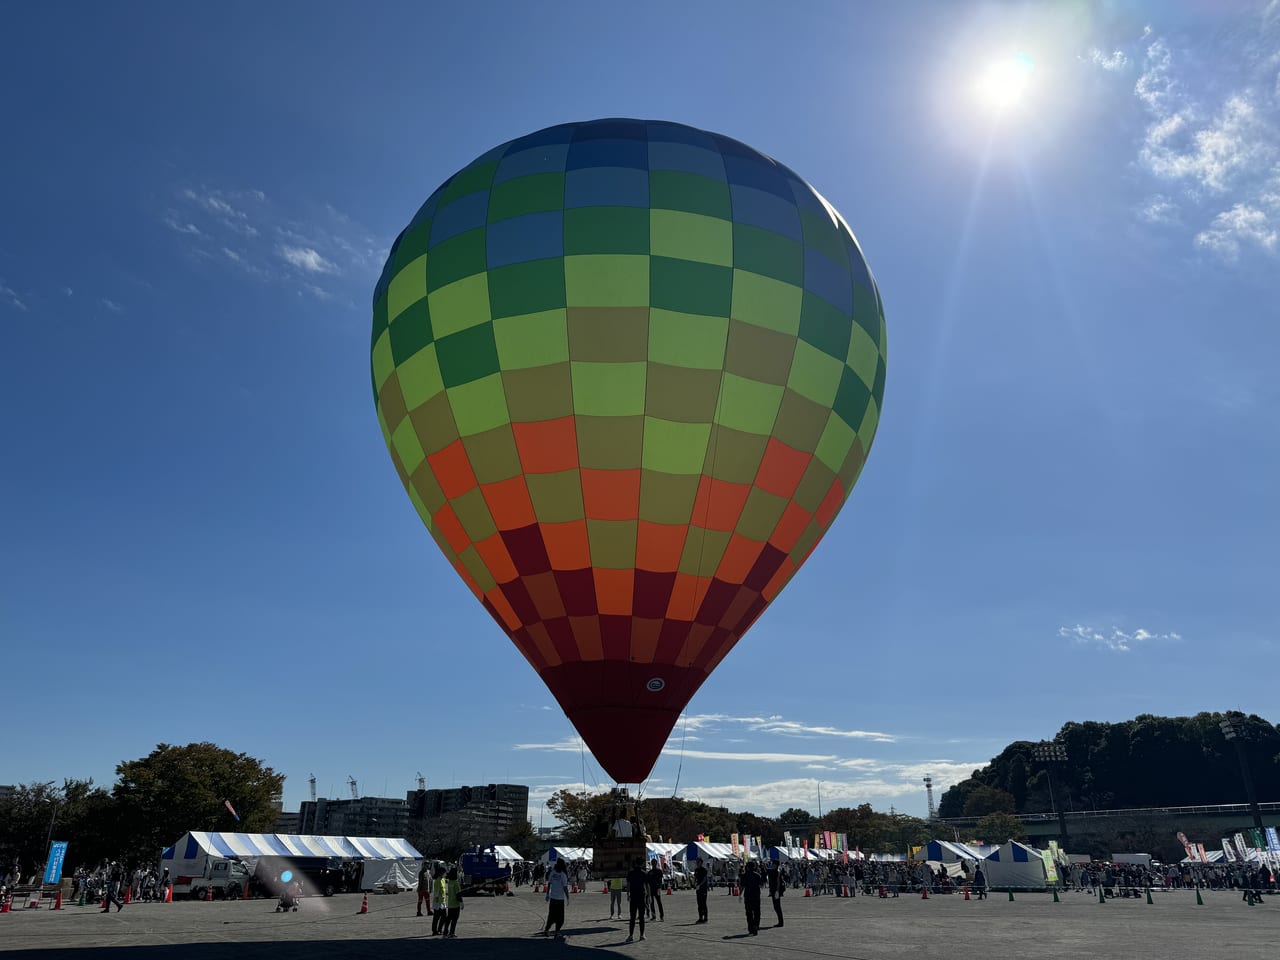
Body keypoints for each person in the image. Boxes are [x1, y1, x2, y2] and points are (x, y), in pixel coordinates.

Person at [543, 859, 570, 939]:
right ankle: (557, 932)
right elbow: (565, 888)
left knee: (551, 915)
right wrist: (568, 897)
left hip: (553, 898)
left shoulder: (552, 873)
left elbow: (549, 884)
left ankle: (547, 929)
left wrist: (547, 894)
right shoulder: (563, 875)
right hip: (560, 899)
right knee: (560, 917)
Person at [626, 858, 647, 942]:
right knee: (641, 917)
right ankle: (642, 935)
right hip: (641, 896)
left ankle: (631, 935)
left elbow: (628, 885)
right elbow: (646, 885)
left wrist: (628, 894)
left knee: (632, 917)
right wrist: (648, 896)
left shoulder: (631, 873)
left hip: (633, 896)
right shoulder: (643, 873)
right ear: (641, 864)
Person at [742, 861, 763, 935]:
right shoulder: (758, 875)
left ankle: (750, 928)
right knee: (757, 912)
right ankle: (756, 926)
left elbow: (742, 886)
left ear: (747, 867)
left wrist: (740, 895)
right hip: (756, 895)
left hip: (748, 895)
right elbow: (761, 885)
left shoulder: (744, 875)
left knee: (749, 913)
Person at [443, 867, 462, 938]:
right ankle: (452, 932)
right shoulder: (456, 883)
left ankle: (445, 933)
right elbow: (458, 894)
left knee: (448, 919)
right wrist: (461, 902)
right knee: (454, 919)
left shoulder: (450, 882)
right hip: (455, 904)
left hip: (450, 904)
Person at [431, 866, 448, 936]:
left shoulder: (443, 880)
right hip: (438, 902)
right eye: (444, 873)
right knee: (436, 917)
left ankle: (440, 929)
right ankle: (434, 931)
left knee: (444, 917)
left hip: (443, 902)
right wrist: (437, 902)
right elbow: (436, 892)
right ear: (441, 873)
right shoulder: (437, 881)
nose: (445, 874)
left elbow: (443, 890)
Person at [767, 860, 784, 928]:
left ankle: (781, 922)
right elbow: (767, 870)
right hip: (774, 891)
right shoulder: (773, 871)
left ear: (776, 865)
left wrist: (777, 891)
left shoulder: (777, 872)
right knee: (776, 906)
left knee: (777, 906)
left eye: (773, 864)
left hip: (776, 891)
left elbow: (778, 882)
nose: (772, 865)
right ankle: (780, 922)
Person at [694, 859, 709, 923]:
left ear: (701, 863)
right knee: (699, 903)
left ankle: (705, 917)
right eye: (697, 862)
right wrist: (695, 883)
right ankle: (700, 917)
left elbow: (705, 879)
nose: (697, 863)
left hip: (703, 889)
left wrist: (700, 885)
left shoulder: (704, 870)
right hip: (698, 889)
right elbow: (695, 878)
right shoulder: (696, 870)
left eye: (699, 862)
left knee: (703, 903)